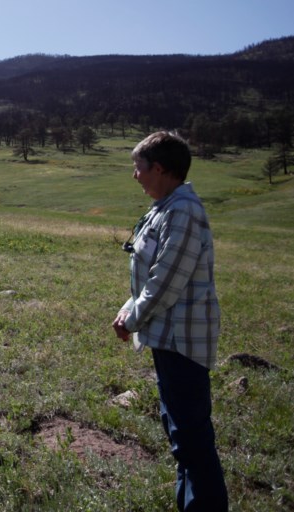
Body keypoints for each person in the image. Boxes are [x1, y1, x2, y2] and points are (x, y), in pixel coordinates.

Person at [111, 131, 229, 511]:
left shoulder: (182, 212)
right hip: (167, 338)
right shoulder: (166, 207)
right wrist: (129, 307)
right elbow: (152, 275)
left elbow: (165, 283)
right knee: (182, 438)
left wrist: (132, 320)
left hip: (182, 342)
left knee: (192, 441)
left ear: (159, 168)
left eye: (138, 167)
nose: (135, 175)